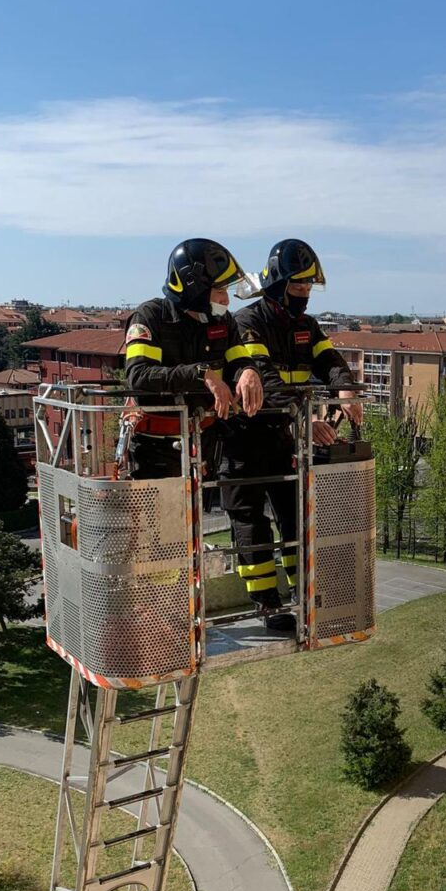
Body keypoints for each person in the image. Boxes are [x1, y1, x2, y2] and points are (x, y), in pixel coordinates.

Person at [222, 238, 360, 630]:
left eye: (308, 289)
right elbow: (263, 379)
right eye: (299, 288)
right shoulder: (247, 324)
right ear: (280, 285)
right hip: (243, 440)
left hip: (283, 442)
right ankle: (267, 606)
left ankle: (306, 596)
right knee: (251, 527)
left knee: (296, 519)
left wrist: (344, 388)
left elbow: (330, 360)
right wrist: (303, 423)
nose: (305, 296)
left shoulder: (306, 326)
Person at [124, 238, 263, 480]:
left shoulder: (223, 322)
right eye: (220, 291)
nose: (226, 301)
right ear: (194, 288)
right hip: (155, 447)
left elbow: (240, 360)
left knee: (200, 516)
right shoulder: (150, 317)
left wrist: (249, 371)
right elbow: (139, 376)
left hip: (205, 441)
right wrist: (200, 374)